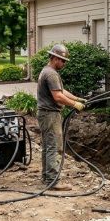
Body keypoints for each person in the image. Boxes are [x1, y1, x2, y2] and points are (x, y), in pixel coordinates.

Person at [36, 44, 87, 189]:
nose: (64, 63)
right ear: (54, 58)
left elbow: (61, 90)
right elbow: (58, 96)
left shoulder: (47, 71)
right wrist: (74, 105)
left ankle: (47, 178)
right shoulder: (51, 73)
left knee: (48, 146)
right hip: (50, 114)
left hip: (45, 114)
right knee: (54, 147)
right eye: (62, 60)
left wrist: (76, 99)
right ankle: (53, 181)